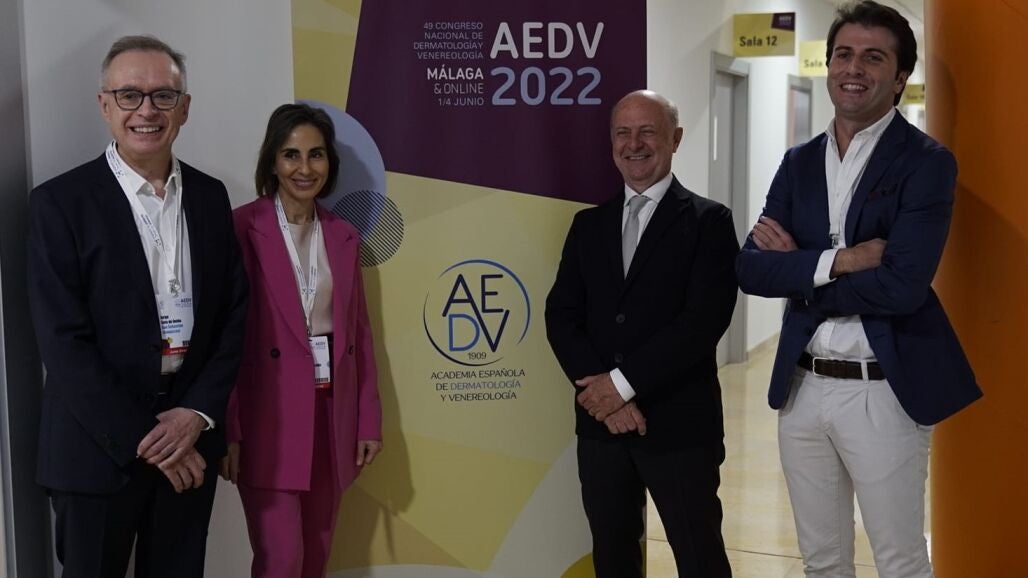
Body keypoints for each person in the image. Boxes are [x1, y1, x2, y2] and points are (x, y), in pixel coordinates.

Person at [736, 2, 982, 576]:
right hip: (802, 388)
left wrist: (800, 274)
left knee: (899, 560)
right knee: (822, 561)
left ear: (900, 77)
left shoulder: (926, 163)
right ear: (828, 66)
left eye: (874, 58)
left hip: (882, 391)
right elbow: (750, 270)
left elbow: (902, 288)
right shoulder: (798, 163)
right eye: (843, 54)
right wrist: (843, 261)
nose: (854, 68)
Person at [26, 35, 247, 577]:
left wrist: (195, 415)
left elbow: (232, 316)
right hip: (95, 450)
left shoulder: (211, 196)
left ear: (184, 108)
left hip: (190, 437)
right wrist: (150, 441)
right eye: (129, 95)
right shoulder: (59, 203)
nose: (146, 110)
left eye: (163, 96)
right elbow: (63, 342)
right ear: (105, 105)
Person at [545, 89, 738, 578]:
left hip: (679, 426)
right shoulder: (588, 225)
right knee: (613, 558)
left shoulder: (710, 222)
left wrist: (621, 386)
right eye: (623, 133)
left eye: (648, 131)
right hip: (602, 431)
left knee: (700, 558)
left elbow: (702, 323)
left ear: (675, 139)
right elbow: (561, 315)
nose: (634, 144)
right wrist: (604, 397)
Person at [220, 103, 383, 578]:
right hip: (267, 416)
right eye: (291, 155)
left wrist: (367, 420)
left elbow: (359, 336)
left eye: (316, 154)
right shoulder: (240, 228)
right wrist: (229, 429)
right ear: (272, 161)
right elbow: (223, 338)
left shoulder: (343, 235)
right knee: (281, 559)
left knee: (316, 556)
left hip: (330, 412)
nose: (305, 168)